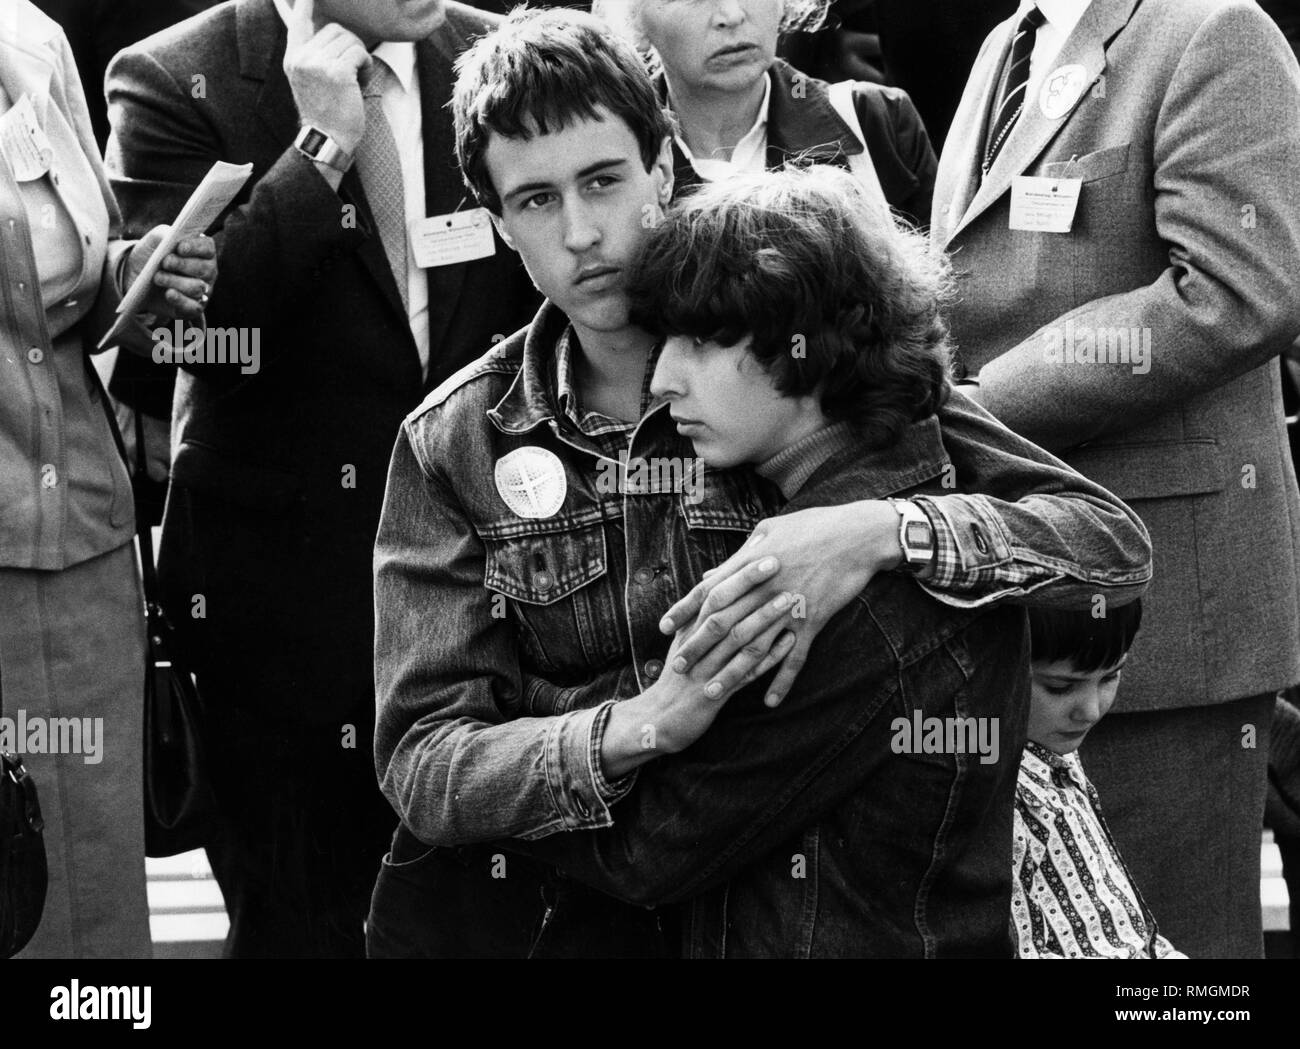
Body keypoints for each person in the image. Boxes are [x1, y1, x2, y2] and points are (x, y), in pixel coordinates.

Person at [367, 7, 1152, 958]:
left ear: (661, 170)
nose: (582, 232)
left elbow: (1100, 537)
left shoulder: (790, 341)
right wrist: (636, 725)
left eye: (604, 181)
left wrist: (876, 530)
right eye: (536, 201)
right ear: (497, 222)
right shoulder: (456, 441)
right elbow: (425, 758)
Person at [100, 0, 539, 958]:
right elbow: (181, 343)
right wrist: (320, 150)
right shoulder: (178, 75)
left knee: (483, 921)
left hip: (487, 583)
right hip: (281, 602)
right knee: (301, 924)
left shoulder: (493, 51)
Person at [929, 0, 1300, 957]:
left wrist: (982, 405)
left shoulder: (1215, 30)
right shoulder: (1005, 42)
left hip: (1168, 626)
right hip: (1021, 603)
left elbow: (1239, 286)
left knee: (1177, 976)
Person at [0, 0, 215, 958]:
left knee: (91, 908)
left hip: (86, 549)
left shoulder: (33, 41)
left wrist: (139, 266)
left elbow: (66, 286)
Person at [594, 0, 934, 225]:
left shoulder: (874, 121)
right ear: (634, 18)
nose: (731, 15)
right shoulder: (604, 156)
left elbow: (944, 320)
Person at [1014, 600, 1184, 958]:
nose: (1090, 710)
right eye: (1060, 687)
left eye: (1110, 677)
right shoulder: (997, 792)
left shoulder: (1054, 755)